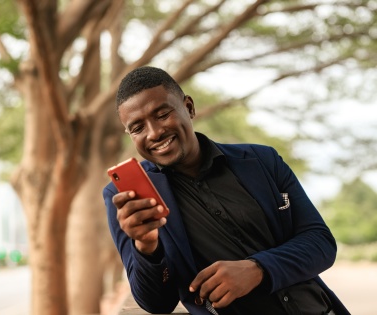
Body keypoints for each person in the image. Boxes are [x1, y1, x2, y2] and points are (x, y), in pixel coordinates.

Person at [103, 66, 350, 315]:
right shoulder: (126, 199)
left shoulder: (263, 160)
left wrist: (259, 269)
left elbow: (321, 243)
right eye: (137, 128)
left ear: (188, 107)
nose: (154, 132)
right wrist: (146, 246)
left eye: (162, 114)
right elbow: (157, 303)